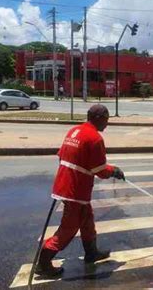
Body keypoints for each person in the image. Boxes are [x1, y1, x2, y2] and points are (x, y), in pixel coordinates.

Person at [36, 104, 125, 277]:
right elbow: (100, 170)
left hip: (66, 184)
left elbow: (61, 155)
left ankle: (91, 253)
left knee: (87, 219)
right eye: (106, 120)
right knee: (69, 228)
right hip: (75, 189)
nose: (107, 124)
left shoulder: (74, 131)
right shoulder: (95, 138)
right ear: (99, 118)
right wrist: (114, 170)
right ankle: (44, 261)